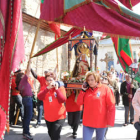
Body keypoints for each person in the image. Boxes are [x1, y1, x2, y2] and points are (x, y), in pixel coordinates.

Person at [77, 72, 115, 140]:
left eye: (92, 80)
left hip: (101, 122)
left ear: (97, 79)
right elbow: (79, 103)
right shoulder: (86, 90)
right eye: (88, 80)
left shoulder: (105, 89)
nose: (90, 82)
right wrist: (83, 91)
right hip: (88, 122)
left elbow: (111, 105)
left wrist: (110, 121)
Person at [37, 71, 66, 140]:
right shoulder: (44, 88)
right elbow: (39, 97)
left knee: (55, 136)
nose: (49, 82)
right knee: (51, 134)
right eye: (47, 80)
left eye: (51, 80)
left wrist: (56, 89)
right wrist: (47, 89)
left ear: (54, 80)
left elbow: (62, 100)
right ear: (45, 82)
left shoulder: (60, 88)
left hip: (59, 117)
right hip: (48, 117)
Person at [16, 60, 33, 140]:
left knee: (26, 116)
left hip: (25, 99)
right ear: (21, 77)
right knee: (28, 117)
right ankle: (26, 133)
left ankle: (25, 131)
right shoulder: (23, 80)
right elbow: (28, 71)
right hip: (28, 99)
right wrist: (29, 63)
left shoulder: (19, 84)